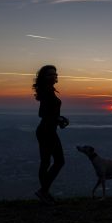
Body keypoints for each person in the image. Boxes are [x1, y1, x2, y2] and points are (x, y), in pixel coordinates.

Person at [32, 65, 69, 204]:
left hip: (47, 130)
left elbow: (47, 113)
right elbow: (43, 114)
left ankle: (44, 192)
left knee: (48, 162)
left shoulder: (48, 91)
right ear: (43, 77)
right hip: (47, 131)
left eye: (55, 74)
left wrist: (59, 119)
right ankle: (43, 192)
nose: (53, 76)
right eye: (49, 74)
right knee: (57, 161)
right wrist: (58, 119)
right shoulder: (47, 91)